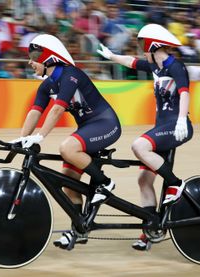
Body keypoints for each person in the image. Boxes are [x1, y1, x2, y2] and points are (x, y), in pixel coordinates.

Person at [11, 33, 122, 249]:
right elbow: (34, 113)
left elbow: (58, 109)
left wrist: (40, 136)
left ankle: (104, 183)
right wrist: (21, 139)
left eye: (34, 56)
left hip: (106, 124)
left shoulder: (70, 75)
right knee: (69, 185)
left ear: (50, 57)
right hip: (88, 129)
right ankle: (79, 229)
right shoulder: (46, 86)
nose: (29, 62)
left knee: (67, 148)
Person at [97, 24, 193, 251]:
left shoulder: (175, 66)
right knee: (144, 180)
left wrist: (181, 120)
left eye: (142, 44)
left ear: (152, 45)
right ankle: (150, 230)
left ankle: (175, 184)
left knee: (139, 145)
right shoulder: (155, 66)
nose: (140, 48)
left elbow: (185, 93)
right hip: (163, 127)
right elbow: (131, 62)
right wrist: (111, 56)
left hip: (176, 126)